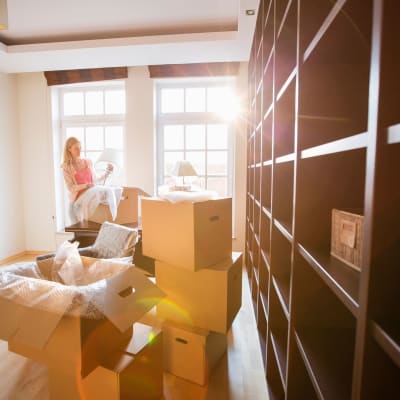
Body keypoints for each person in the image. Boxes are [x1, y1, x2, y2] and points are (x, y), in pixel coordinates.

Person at [61, 137, 119, 223]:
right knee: (78, 235)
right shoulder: (66, 167)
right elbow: (71, 188)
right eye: (76, 148)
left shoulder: (88, 162)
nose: (79, 151)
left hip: (88, 202)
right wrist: (86, 185)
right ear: (69, 149)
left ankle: (115, 216)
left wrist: (108, 172)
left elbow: (96, 180)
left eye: (80, 148)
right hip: (75, 206)